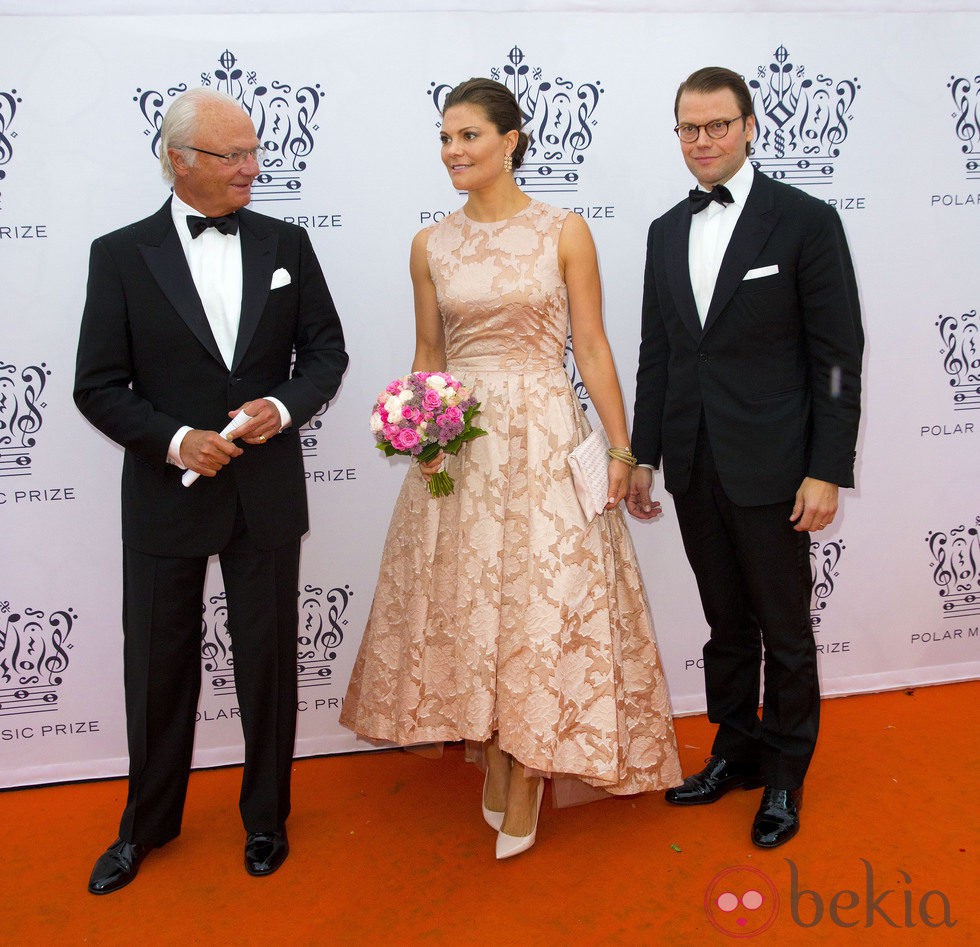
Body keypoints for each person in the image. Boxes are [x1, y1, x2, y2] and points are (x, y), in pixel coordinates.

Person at [340, 77, 680, 860]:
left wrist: (623, 450)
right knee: (473, 603)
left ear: (511, 139)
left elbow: (590, 346)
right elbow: (431, 353)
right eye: (446, 137)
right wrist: (421, 437)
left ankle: (529, 770)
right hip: (463, 444)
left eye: (469, 136)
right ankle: (495, 751)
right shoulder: (430, 243)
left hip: (546, 434)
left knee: (543, 602)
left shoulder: (564, 230)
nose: (453, 151)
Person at [74, 87, 347, 893]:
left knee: (268, 662)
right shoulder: (120, 254)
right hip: (166, 494)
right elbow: (97, 385)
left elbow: (325, 353)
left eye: (254, 151)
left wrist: (283, 405)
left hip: (263, 492)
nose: (252, 168)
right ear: (179, 160)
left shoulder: (287, 242)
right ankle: (146, 826)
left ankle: (266, 818)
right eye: (233, 155)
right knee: (157, 667)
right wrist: (172, 438)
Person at [627, 66, 863, 848]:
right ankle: (737, 751)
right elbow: (657, 353)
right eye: (689, 128)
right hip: (694, 462)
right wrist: (642, 453)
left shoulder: (803, 220)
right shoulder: (665, 229)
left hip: (774, 466)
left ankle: (787, 776)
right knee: (725, 624)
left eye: (717, 125)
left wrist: (827, 466)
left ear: (751, 125)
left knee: (784, 629)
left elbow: (836, 354)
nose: (703, 141)